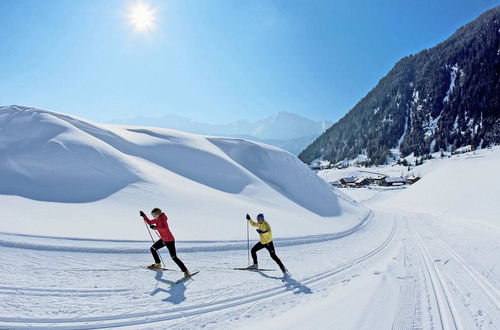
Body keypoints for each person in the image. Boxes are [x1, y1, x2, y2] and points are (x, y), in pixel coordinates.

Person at [140, 208, 191, 277]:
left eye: (154, 215)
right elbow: (149, 222)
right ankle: (158, 263)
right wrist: (144, 216)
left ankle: (186, 271)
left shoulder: (163, 220)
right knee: (153, 248)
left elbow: (165, 229)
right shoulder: (157, 219)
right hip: (164, 240)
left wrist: (155, 228)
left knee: (174, 257)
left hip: (170, 241)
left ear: (157, 214)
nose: (153, 217)